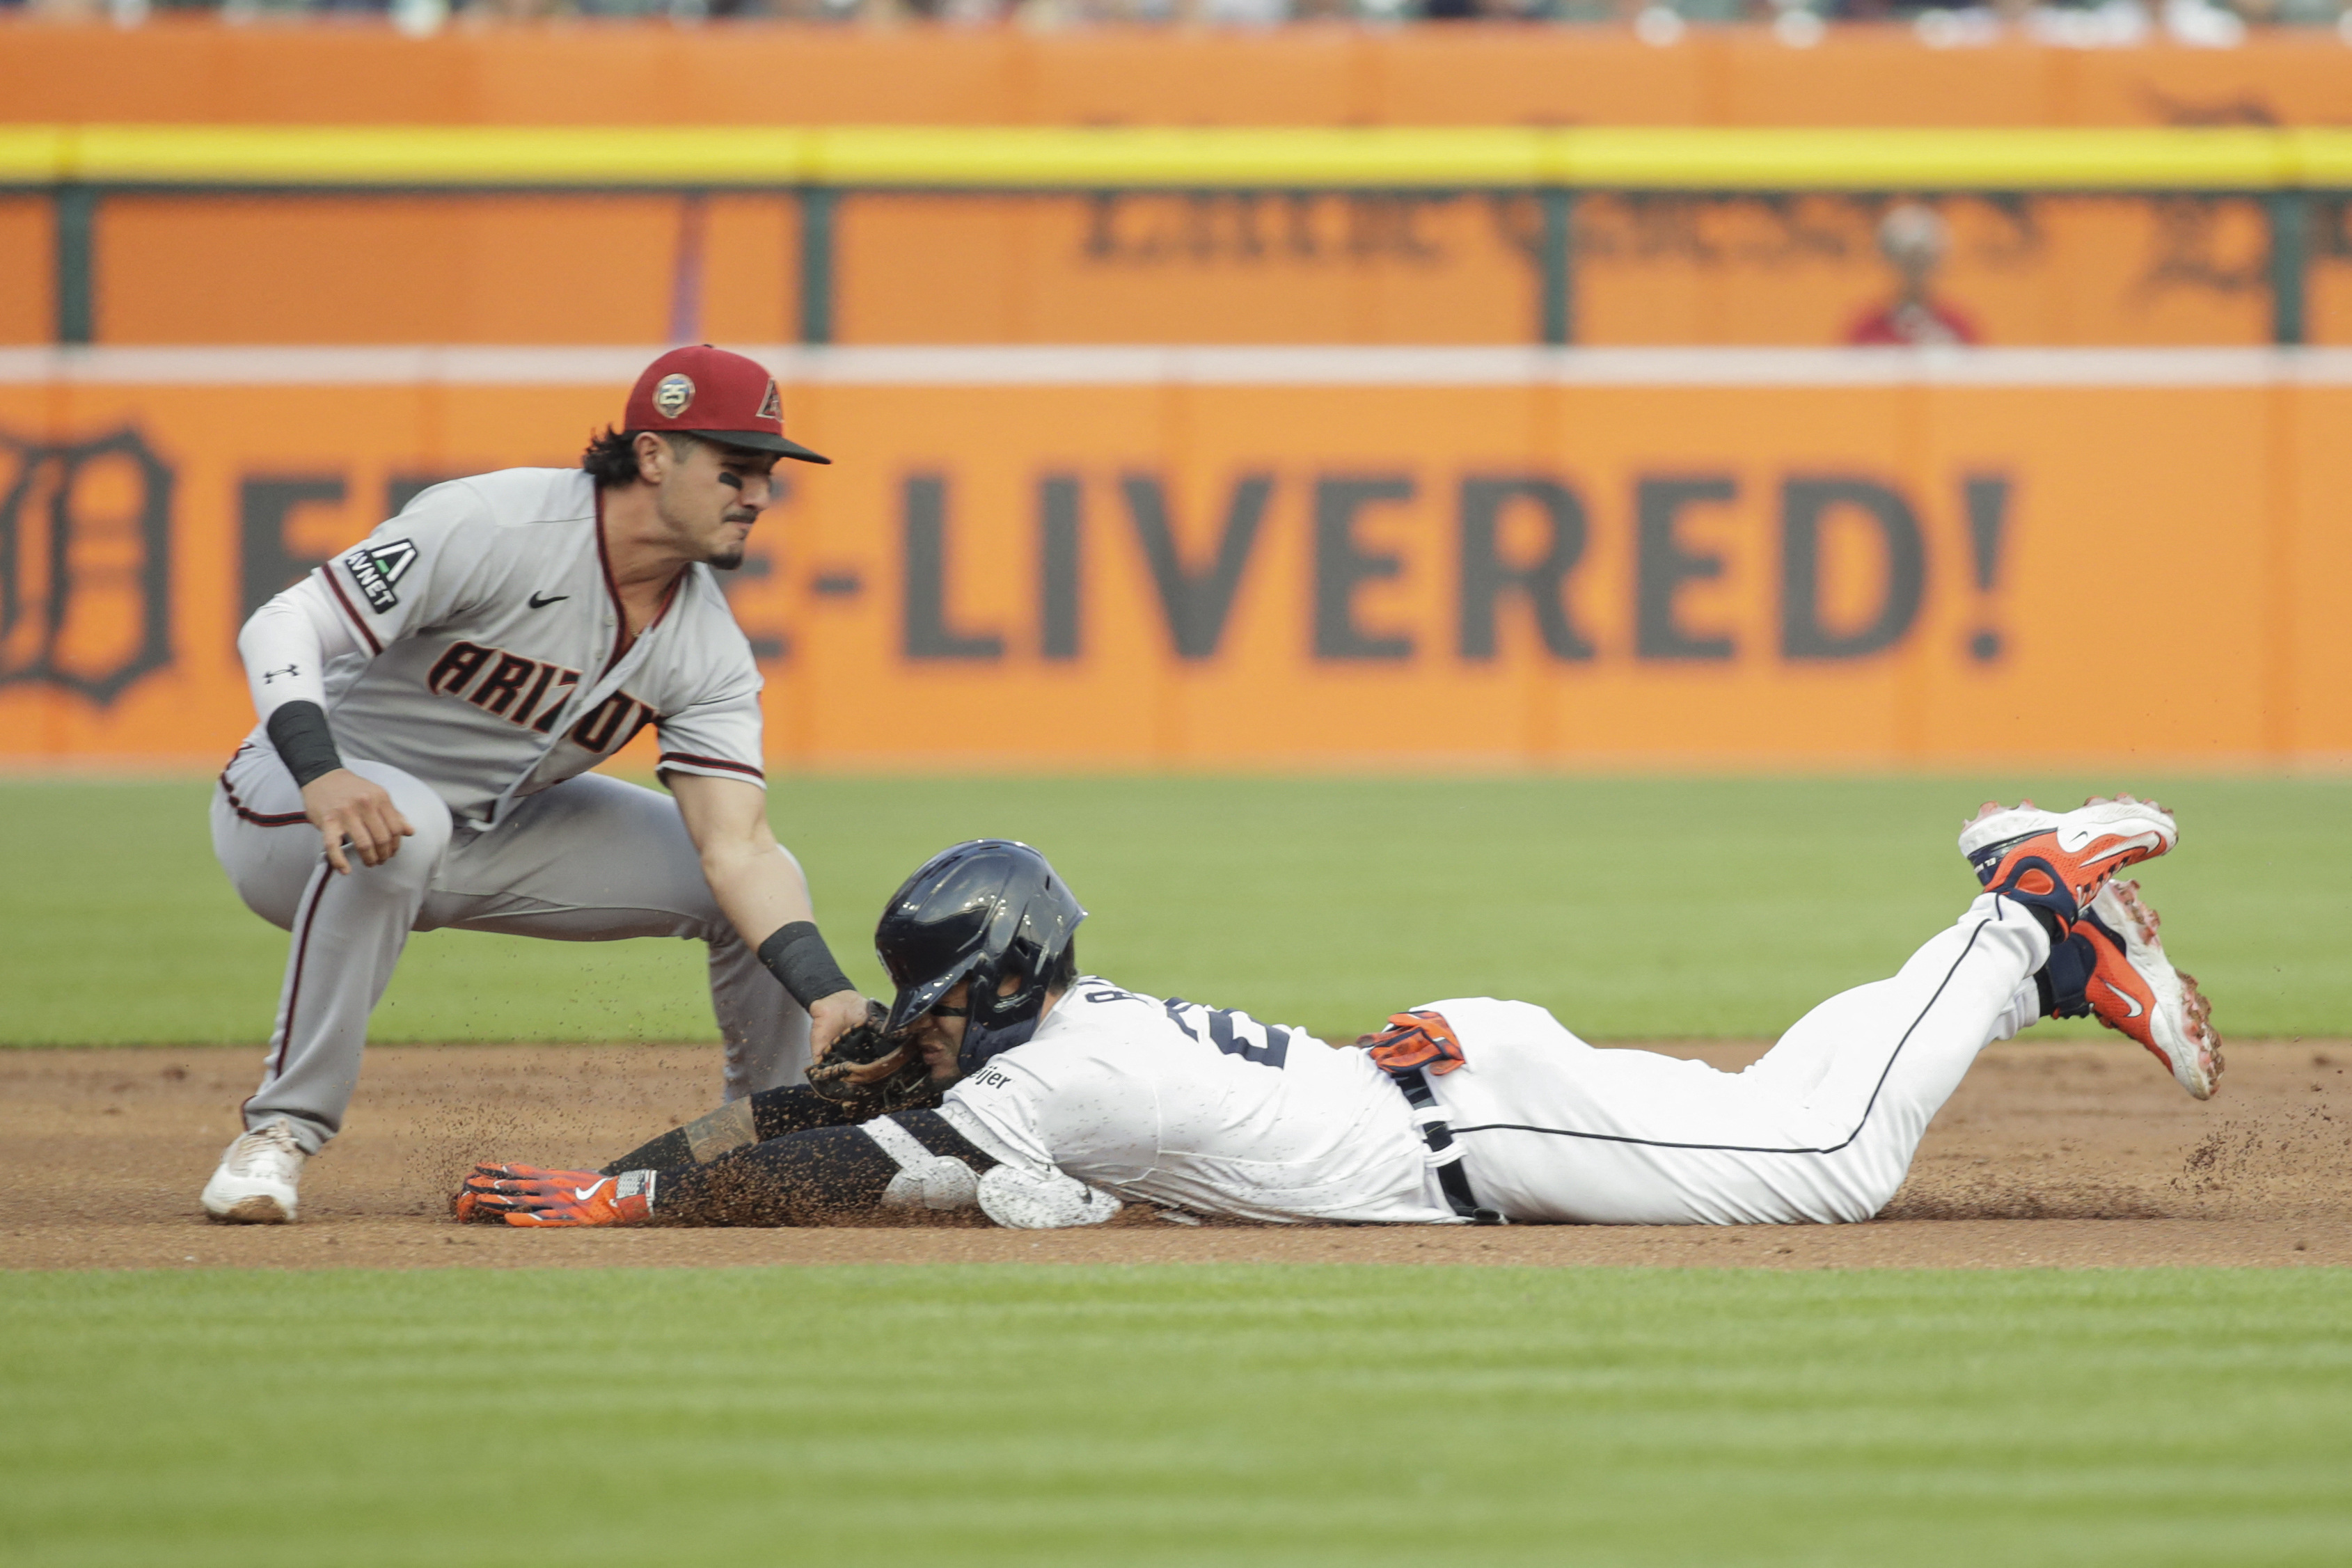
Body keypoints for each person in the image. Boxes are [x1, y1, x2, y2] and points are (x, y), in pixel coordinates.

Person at [457, 795, 2220, 1231]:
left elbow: (827, 1165)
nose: (902, 1027)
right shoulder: (1047, 1036)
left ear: (987, 980)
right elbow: (812, 1117)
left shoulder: (1043, 1081)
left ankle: (2020, 918)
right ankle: (2024, 939)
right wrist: (632, 1167)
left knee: (1821, 1156)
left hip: (1474, 1123)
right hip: (1463, 1084)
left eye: (928, 999)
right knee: (1778, 1103)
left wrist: (629, 1193)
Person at [203, 345, 874, 1226]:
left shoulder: (705, 644)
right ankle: (277, 1136)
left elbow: (735, 846)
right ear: (653, 455)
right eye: (735, 469)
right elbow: (285, 619)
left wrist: (826, 989)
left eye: (767, 475)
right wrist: (321, 770)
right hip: (292, 807)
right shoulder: (496, 522)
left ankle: (763, 1151)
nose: (758, 495)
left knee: (756, 887)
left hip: (482, 826)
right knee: (412, 822)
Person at [1845, 201, 1980, 347]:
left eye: (1923, 258)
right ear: (1888, 260)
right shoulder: (1867, 330)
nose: (1915, 269)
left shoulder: (1958, 328)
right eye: (1906, 259)